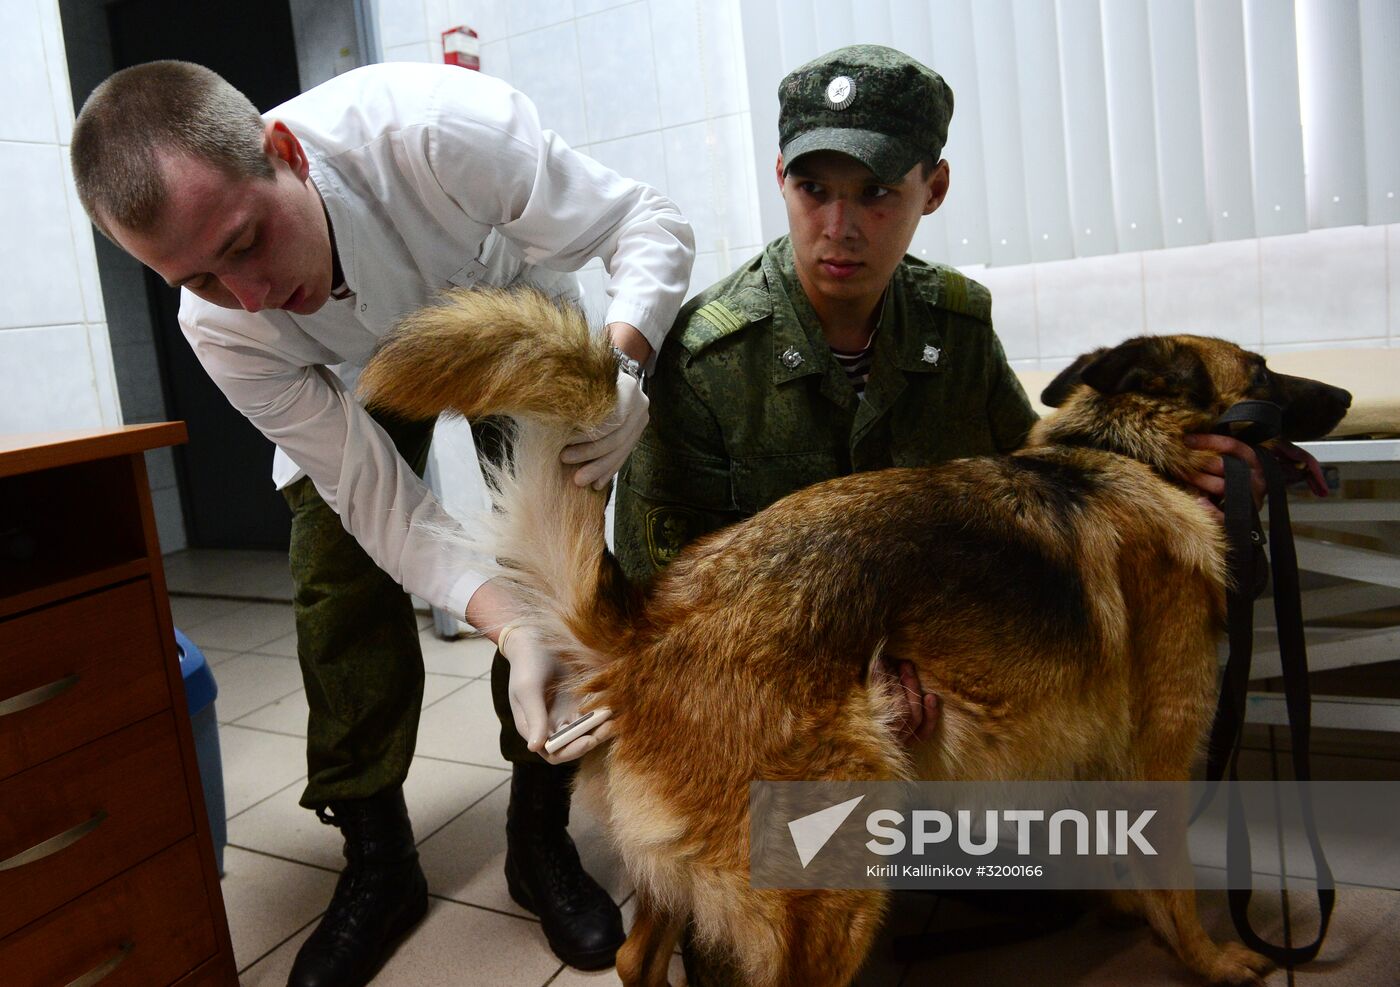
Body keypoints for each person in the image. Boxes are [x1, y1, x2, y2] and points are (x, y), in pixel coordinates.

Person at [612, 43, 1280, 984]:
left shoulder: (955, 323)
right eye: (814, 187)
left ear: (935, 188)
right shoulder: (709, 353)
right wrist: (844, 675)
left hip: (913, 692)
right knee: (779, 949)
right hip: (766, 694)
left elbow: (1031, 474)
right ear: (781, 180)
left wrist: (1171, 455)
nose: (840, 225)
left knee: (1050, 872)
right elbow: (653, 582)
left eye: (878, 191)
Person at [71, 59, 693, 985]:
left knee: (555, 561)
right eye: (197, 277)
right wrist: (505, 624)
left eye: (244, 243)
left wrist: (628, 359)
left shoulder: (438, 131)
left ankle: (537, 835)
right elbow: (374, 497)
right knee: (335, 574)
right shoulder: (225, 328)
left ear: (283, 153)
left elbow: (646, 222)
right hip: (354, 377)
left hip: (504, 324)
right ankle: (378, 858)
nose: (243, 294)